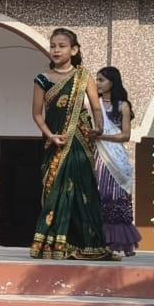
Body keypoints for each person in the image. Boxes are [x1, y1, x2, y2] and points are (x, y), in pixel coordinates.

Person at [30, 28, 116, 260]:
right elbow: (37, 114)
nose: (56, 50)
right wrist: (50, 135)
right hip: (55, 143)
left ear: (74, 50)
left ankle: (86, 243)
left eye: (62, 46)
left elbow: (96, 107)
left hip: (80, 141)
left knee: (83, 190)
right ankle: (52, 244)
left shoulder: (84, 76)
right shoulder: (42, 79)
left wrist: (99, 127)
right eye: (53, 46)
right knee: (55, 191)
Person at [95, 66, 142, 257]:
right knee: (99, 195)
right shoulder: (94, 104)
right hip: (98, 156)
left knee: (116, 197)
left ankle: (122, 243)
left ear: (112, 82)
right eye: (97, 79)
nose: (97, 83)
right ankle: (99, 242)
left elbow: (125, 135)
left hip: (116, 157)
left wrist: (101, 136)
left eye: (101, 80)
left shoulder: (122, 106)